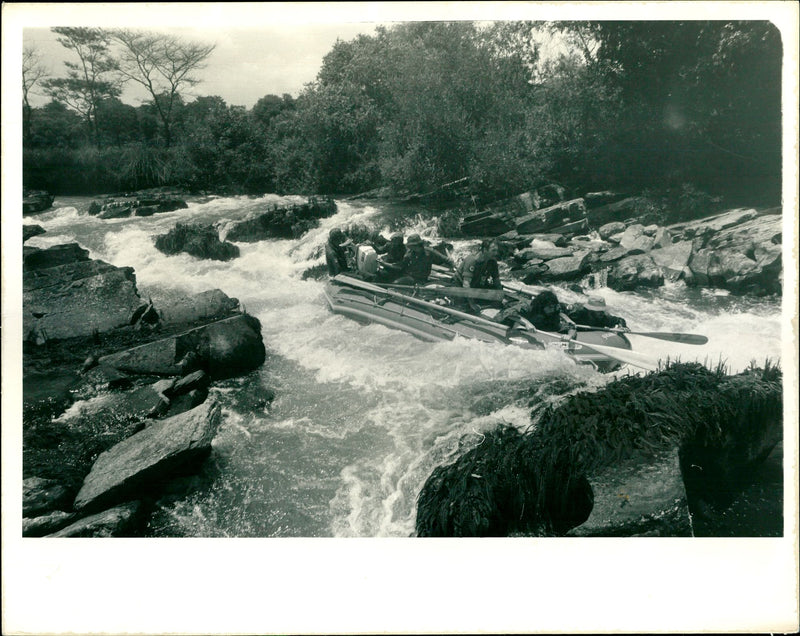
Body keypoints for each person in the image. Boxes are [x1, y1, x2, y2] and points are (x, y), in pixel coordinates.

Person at [564, 296, 628, 330]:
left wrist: (623, 326)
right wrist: (567, 321)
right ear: (591, 310)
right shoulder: (577, 311)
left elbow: (620, 320)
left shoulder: (604, 317)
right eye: (598, 311)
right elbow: (560, 310)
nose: (601, 313)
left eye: (602, 310)